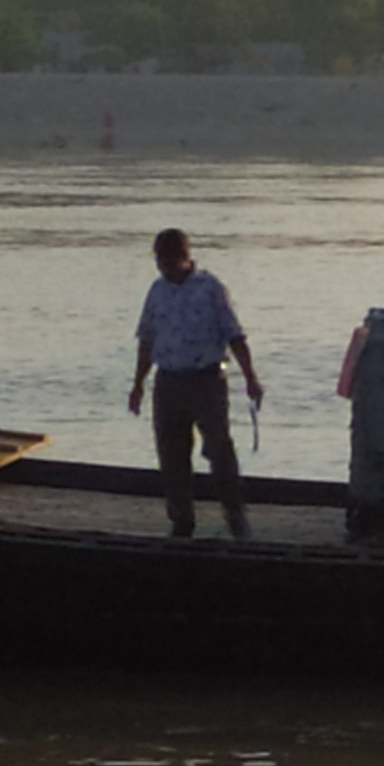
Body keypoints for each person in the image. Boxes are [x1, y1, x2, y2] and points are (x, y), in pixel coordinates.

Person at [128, 227, 264, 541]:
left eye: (165, 258)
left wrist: (251, 377)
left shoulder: (211, 288)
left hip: (206, 380)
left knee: (219, 451)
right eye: (157, 258)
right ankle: (181, 521)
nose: (161, 265)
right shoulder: (157, 292)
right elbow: (146, 341)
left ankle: (235, 518)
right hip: (168, 382)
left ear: (183, 256)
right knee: (171, 454)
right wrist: (137, 385)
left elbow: (235, 335)